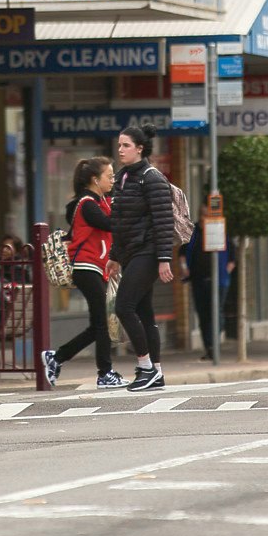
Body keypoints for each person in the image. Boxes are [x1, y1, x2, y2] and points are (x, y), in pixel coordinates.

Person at [40, 156, 125, 389]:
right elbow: (109, 224)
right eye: (109, 176)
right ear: (95, 180)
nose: (113, 180)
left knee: (99, 323)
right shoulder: (88, 203)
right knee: (104, 322)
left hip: (97, 268)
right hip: (85, 267)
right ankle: (105, 373)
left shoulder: (102, 201)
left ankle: (56, 358)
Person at [109, 123, 175, 392]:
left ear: (140, 148)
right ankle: (156, 373)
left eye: (126, 145)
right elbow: (120, 222)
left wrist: (163, 258)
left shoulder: (152, 178)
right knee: (145, 312)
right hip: (131, 252)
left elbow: (163, 221)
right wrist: (115, 256)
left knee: (124, 306)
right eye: (119, 145)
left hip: (147, 252)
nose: (120, 150)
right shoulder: (124, 177)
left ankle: (145, 366)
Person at [184, 232, 235, 360]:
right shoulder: (194, 233)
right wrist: (184, 267)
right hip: (199, 280)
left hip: (220, 281)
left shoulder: (221, 230)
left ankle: (213, 344)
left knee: (217, 313)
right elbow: (183, 252)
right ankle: (209, 347)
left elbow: (232, 257)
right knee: (203, 314)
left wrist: (226, 271)